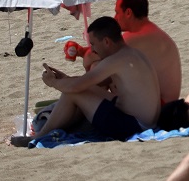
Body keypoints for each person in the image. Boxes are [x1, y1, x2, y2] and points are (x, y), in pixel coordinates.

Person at [32, 17, 160, 142]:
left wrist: (53, 82)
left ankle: (40, 135)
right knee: (80, 89)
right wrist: (65, 79)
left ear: (106, 42)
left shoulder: (116, 59)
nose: (92, 49)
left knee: (71, 94)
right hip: (143, 118)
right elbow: (89, 83)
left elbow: (75, 87)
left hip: (136, 126)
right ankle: (56, 126)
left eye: (93, 44)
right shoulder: (132, 53)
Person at [83, 0, 183, 106]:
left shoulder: (137, 37)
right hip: (167, 102)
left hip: (160, 108)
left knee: (97, 67)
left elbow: (90, 57)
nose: (115, 18)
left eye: (117, 12)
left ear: (128, 13)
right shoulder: (150, 31)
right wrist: (81, 51)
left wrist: (85, 58)